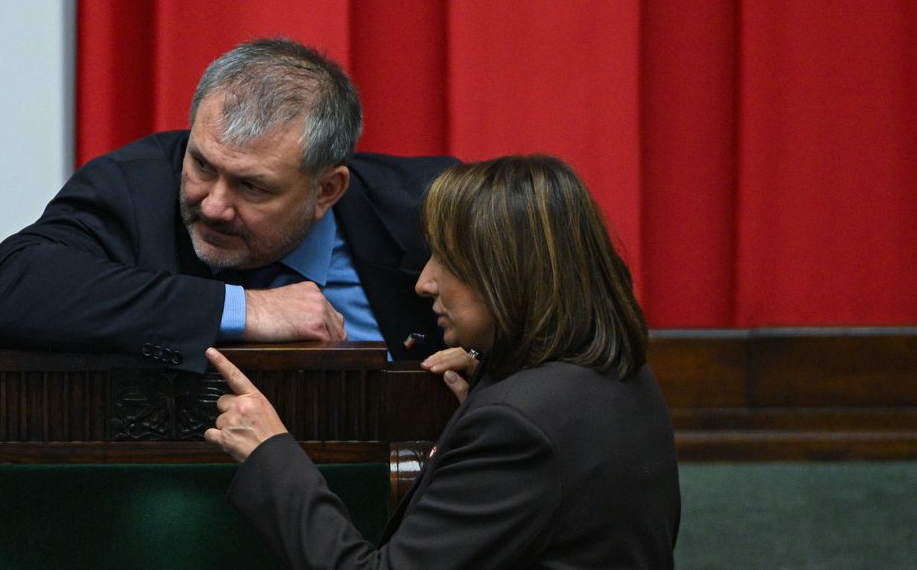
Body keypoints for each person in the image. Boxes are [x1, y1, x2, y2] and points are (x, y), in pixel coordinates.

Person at [205, 155, 681, 568]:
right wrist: (492, 386)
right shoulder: (617, 372)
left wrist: (269, 451)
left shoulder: (519, 425)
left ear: (506, 276)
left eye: (445, 260)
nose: (424, 283)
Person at [0, 38, 458, 372]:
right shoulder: (133, 187)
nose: (214, 206)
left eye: (252, 187)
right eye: (203, 165)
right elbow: (11, 290)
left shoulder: (433, 208)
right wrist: (243, 309)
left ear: (327, 191)